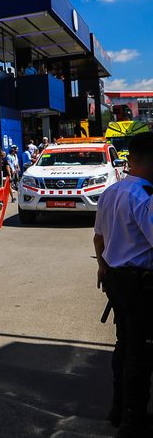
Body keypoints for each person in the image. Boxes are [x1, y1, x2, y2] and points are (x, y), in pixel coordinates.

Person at [93, 131, 153, 434]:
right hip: (140, 286)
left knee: (124, 345)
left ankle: (118, 409)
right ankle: (132, 422)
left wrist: (103, 267)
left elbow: (98, 238)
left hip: (116, 281)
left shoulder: (111, 192)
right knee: (140, 354)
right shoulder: (145, 197)